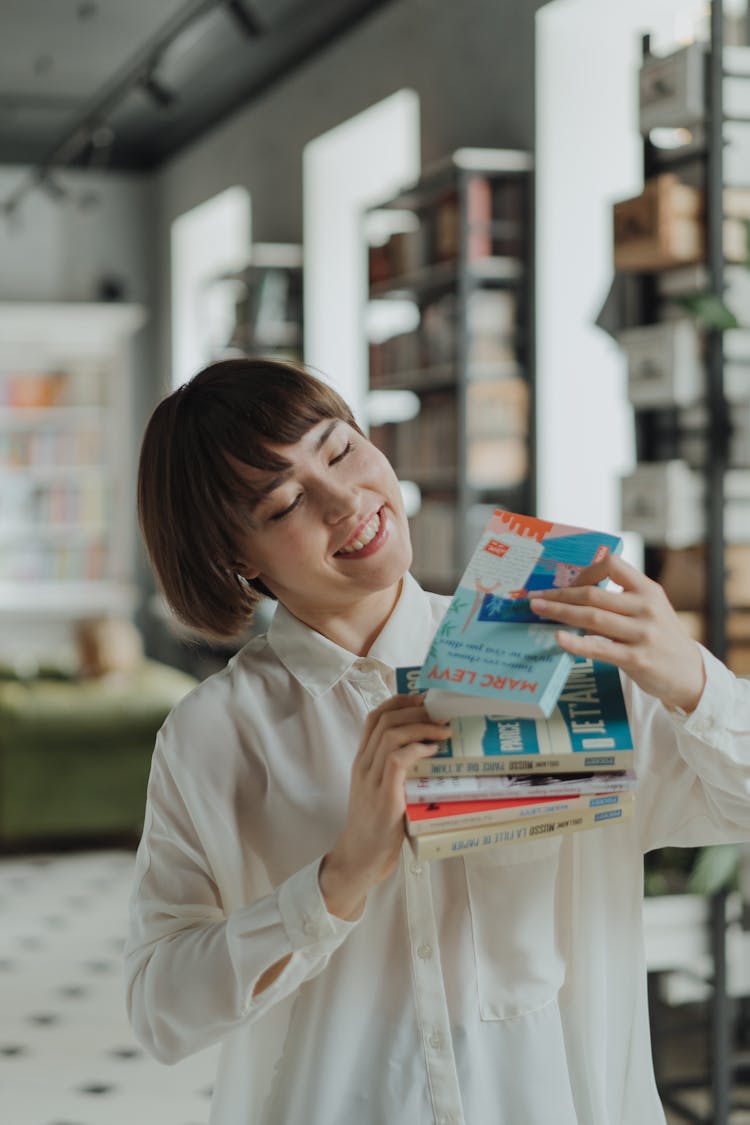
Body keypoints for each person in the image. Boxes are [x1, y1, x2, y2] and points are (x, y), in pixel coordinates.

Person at [125, 356, 750, 1125]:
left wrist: (692, 680)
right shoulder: (214, 734)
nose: (345, 500)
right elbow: (160, 1010)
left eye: (341, 448)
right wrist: (337, 880)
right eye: (285, 503)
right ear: (236, 560)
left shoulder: (554, 647)